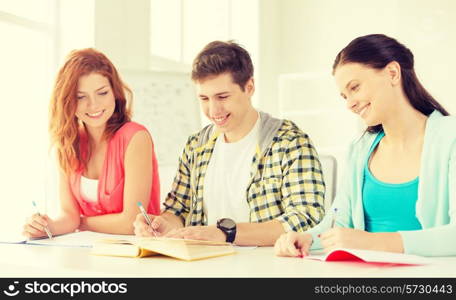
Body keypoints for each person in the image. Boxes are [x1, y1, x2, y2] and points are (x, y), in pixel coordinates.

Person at [275, 34, 456, 257]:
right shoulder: (360, 150)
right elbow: (338, 220)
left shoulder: (451, 138)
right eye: (344, 96)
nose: (350, 104)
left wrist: (372, 242)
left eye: (355, 88)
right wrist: (307, 239)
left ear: (392, 73)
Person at [133, 41, 325, 246]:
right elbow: (178, 209)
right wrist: (164, 223)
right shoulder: (196, 146)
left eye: (222, 97)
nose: (213, 110)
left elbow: (306, 218)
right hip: (203, 265)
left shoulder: (290, 143)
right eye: (204, 98)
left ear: (249, 87)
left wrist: (226, 233)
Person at [23, 48, 161, 237]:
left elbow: (132, 222)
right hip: (87, 253)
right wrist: (47, 227)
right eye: (81, 97)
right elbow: (68, 215)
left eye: (102, 93)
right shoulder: (68, 143)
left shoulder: (135, 137)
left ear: (114, 92)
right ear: (67, 101)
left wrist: (79, 223)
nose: (94, 105)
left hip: (136, 256)